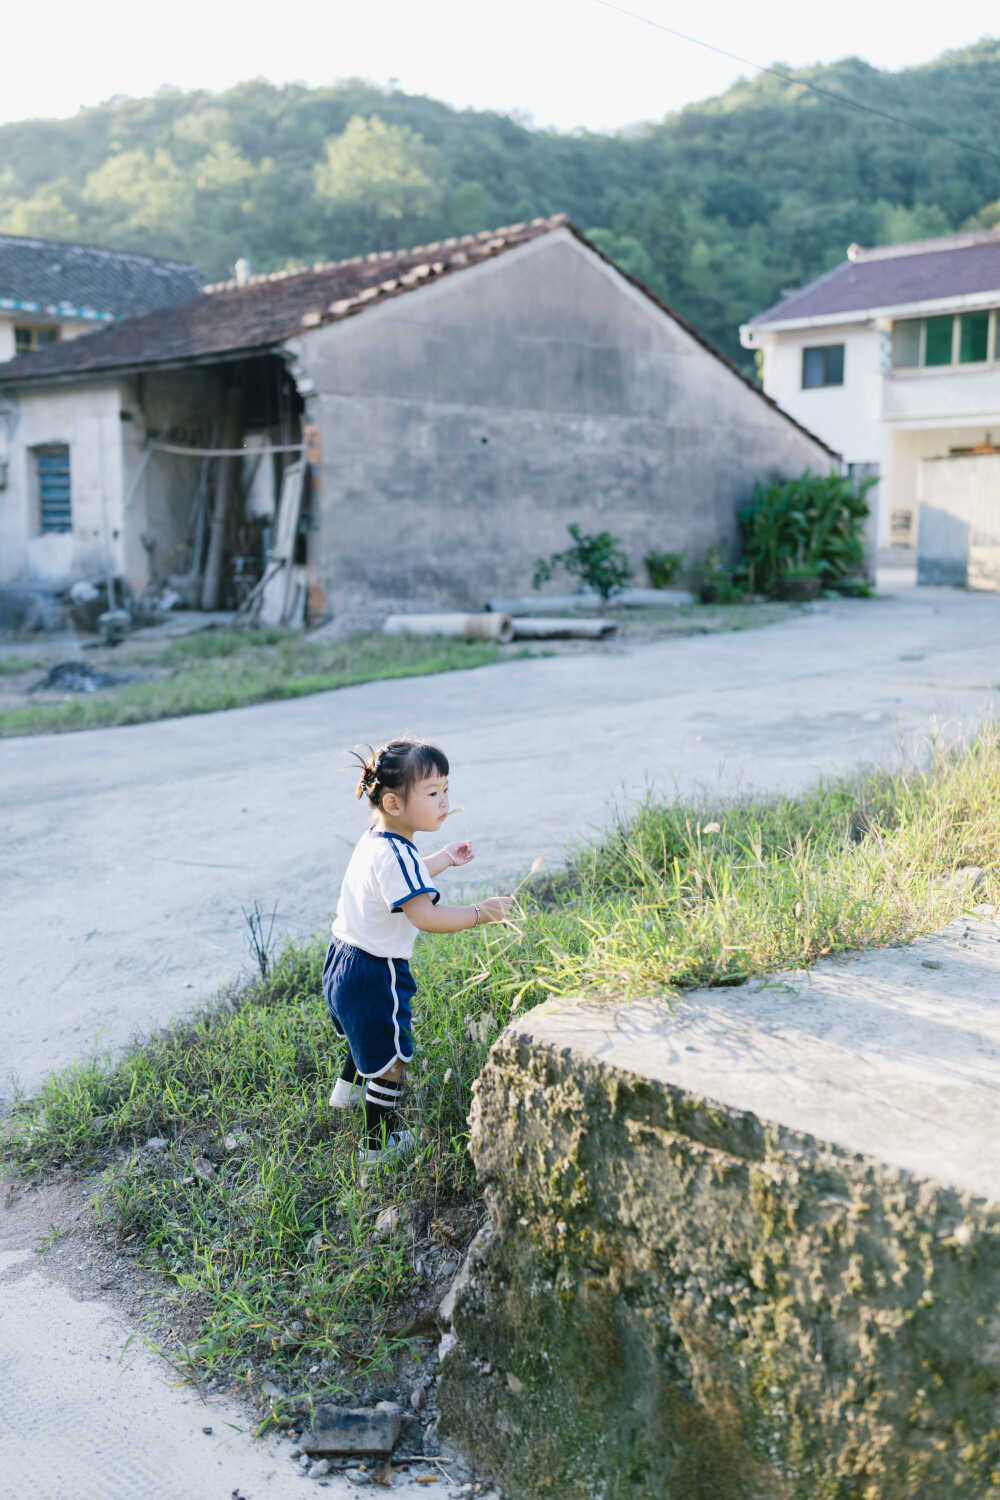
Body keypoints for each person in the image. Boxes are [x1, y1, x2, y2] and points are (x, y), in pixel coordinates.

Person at [324, 737, 513, 1164]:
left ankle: (346, 1093)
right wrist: (481, 912)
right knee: (392, 1058)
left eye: (446, 790)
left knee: (362, 1036)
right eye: (432, 793)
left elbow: (402, 876)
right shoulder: (395, 855)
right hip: (375, 972)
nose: (445, 801)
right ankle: (378, 1143)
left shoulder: (378, 839)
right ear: (393, 803)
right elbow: (425, 916)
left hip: (342, 959)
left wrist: (443, 857)